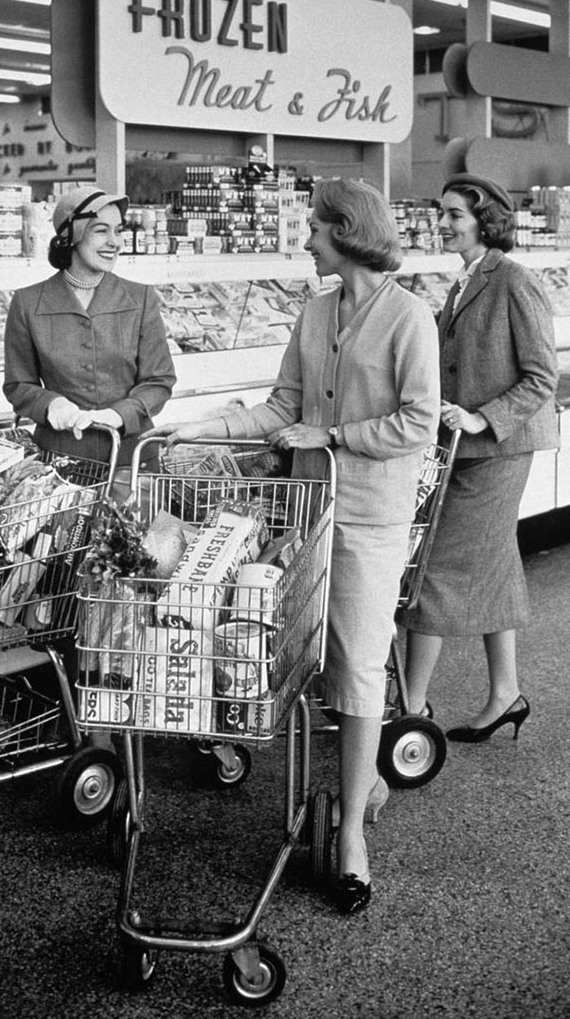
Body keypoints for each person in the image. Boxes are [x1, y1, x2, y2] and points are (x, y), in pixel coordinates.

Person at [153, 178, 440, 915]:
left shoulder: (410, 318)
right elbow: (283, 406)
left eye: (314, 227)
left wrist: (334, 434)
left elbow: (418, 422)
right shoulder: (316, 313)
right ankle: (356, 784)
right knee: (308, 661)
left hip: (371, 519)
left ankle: (350, 835)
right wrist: (201, 430)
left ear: (346, 231)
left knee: (358, 664)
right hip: (309, 513)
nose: (305, 239)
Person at [399, 173, 559, 743]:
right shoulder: (463, 281)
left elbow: (542, 374)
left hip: (499, 448)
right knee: (493, 564)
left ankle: (410, 708)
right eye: (440, 213)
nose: (442, 223)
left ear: (486, 218)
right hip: (468, 450)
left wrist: (480, 417)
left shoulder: (513, 280)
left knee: (435, 570)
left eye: (453, 214)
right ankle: (504, 694)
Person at [3, 186, 176, 473]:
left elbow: (159, 381)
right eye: (101, 231)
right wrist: (51, 404)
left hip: (131, 460)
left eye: (118, 231)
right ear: (72, 235)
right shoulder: (28, 303)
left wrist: (117, 415)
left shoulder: (140, 298)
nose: (115, 242)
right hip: (58, 463)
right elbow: (18, 384)